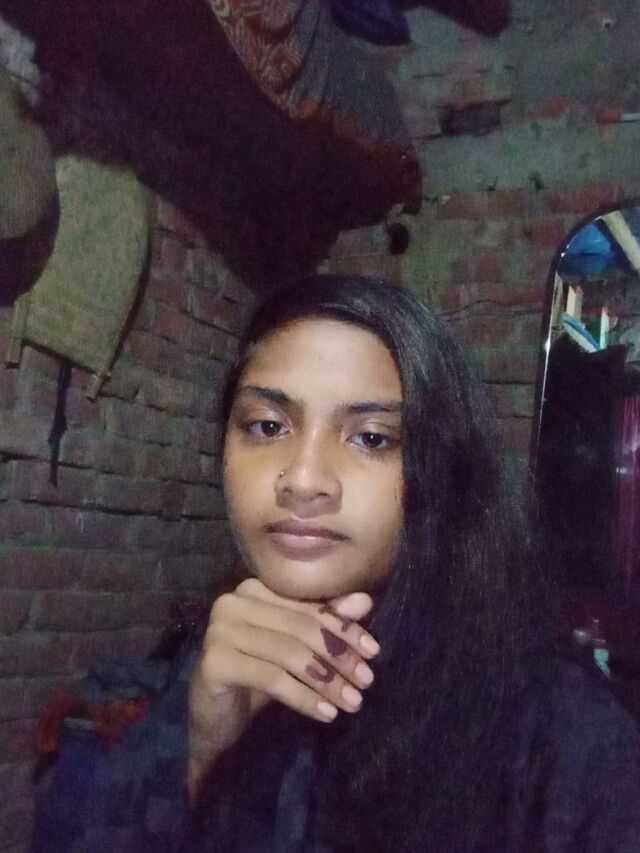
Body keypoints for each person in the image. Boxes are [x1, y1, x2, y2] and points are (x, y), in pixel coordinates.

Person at [184, 274, 640, 853]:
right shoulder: (213, 661)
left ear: (442, 468)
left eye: (372, 438)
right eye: (268, 427)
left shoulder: (566, 740)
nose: (302, 479)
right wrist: (201, 751)